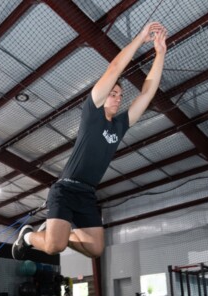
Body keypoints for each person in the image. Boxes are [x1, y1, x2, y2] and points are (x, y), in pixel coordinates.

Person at [12, 22, 167, 260]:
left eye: (120, 96)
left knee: (95, 250)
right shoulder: (92, 111)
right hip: (65, 188)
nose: (117, 98)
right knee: (55, 248)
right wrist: (141, 37)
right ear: (103, 96)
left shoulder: (120, 125)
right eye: (113, 94)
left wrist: (160, 53)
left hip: (86, 194)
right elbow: (115, 67)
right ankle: (29, 237)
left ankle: (58, 232)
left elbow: (147, 92)